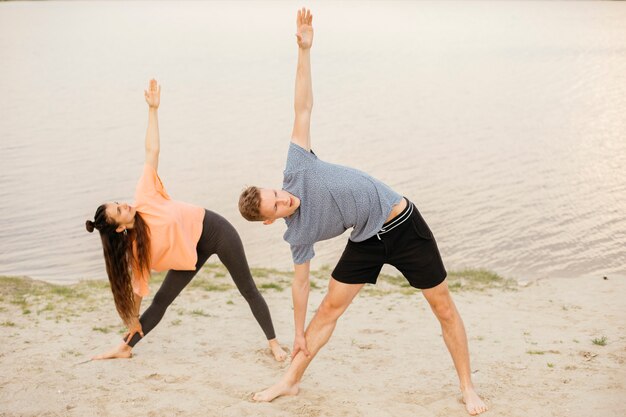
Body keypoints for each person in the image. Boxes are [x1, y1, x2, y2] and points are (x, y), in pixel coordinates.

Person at [238, 8, 487, 415]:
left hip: (402, 223)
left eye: (277, 193)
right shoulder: (296, 234)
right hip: (366, 238)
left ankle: (467, 386)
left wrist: (304, 51)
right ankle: (289, 382)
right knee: (328, 309)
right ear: (270, 220)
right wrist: (297, 332)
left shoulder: (297, 168)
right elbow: (300, 283)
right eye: (277, 206)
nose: (285, 199)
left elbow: (302, 107)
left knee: (442, 306)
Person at [87, 79, 286, 362]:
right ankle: (125, 347)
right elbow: (139, 290)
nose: (126, 205)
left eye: (119, 203)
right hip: (189, 255)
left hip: (214, 230)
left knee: (247, 289)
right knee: (162, 301)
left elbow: (151, 152)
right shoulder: (135, 249)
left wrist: (153, 110)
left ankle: (274, 344)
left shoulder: (144, 196)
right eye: (120, 210)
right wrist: (132, 321)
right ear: (119, 227)